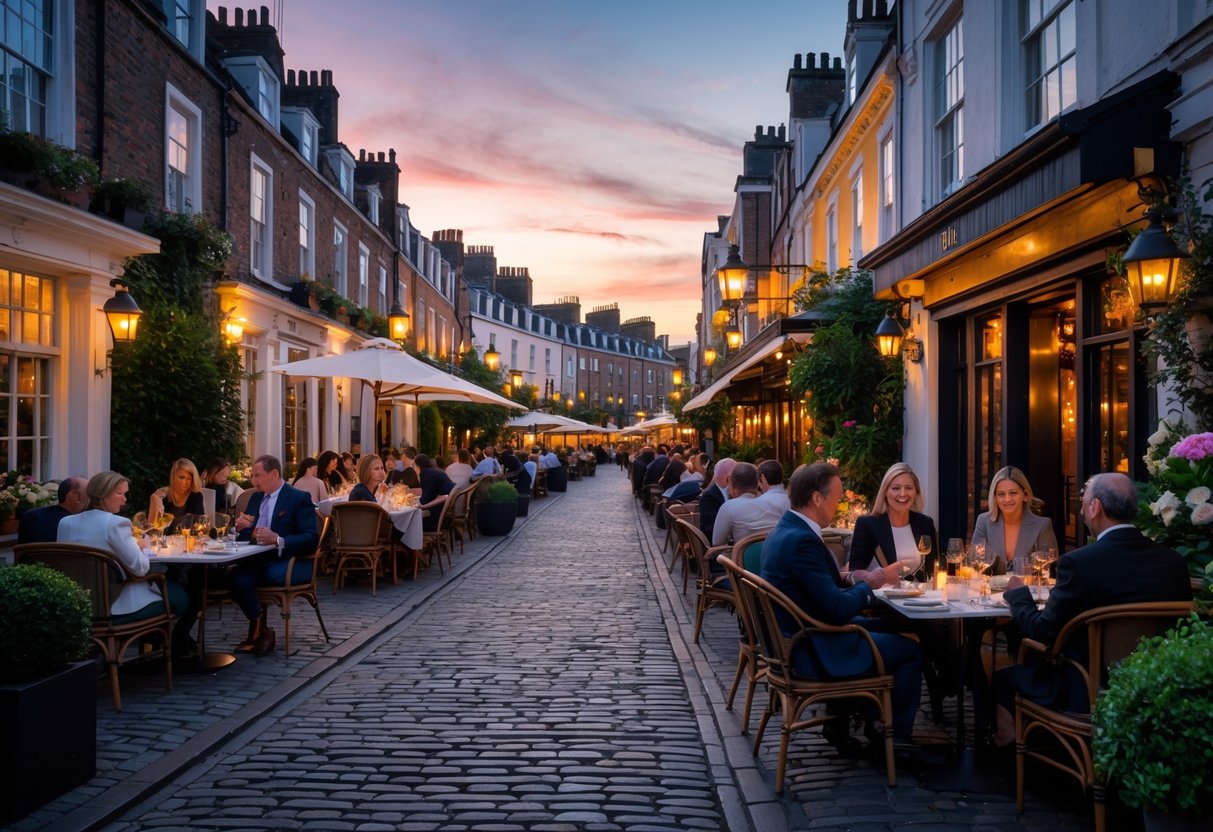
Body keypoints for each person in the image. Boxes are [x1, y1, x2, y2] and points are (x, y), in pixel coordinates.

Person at [991, 472, 1192, 746]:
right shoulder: (1174, 563)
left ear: (1095, 507)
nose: (1083, 511)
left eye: (1083, 504)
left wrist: (1018, 595)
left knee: (1002, 679)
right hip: (1157, 685)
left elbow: (1042, 631)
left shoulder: (1080, 562)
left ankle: (1011, 756)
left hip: (1087, 686)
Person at [761, 462, 921, 740]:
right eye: (836, 498)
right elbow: (837, 610)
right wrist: (873, 581)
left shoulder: (784, 531)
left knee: (893, 625)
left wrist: (849, 581)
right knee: (912, 649)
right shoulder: (802, 542)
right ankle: (891, 737)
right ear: (816, 498)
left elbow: (819, 591)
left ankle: (855, 719)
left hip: (801, 634)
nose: (837, 506)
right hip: (814, 647)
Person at [57, 471, 191, 649]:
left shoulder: (65, 523)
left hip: (78, 606)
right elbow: (140, 569)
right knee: (181, 596)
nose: (124, 500)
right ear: (102, 495)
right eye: (120, 494)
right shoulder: (116, 523)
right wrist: (142, 547)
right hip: (113, 606)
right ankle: (173, 647)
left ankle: (155, 644)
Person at [231, 455, 319, 654]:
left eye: (258, 476)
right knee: (229, 577)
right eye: (253, 476)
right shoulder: (255, 497)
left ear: (274, 474)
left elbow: (311, 539)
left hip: (284, 558)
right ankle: (260, 625)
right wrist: (249, 528)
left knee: (241, 579)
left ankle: (257, 630)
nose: (254, 482)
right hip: (254, 556)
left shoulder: (298, 498)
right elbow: (246, 532)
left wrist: (278, 539)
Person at [848, 463, 938, 576]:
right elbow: (854, 573)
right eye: (896, 488)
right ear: (885, 492)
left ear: (916, 492)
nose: (902, 494)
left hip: (917, 593)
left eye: (909, 488)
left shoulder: (925, 523)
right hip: (878, 593)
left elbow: (932, 571)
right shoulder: (867, 525)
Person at [971, 466, 1058, 575]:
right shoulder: (984, 521)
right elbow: (974, 566)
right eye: (1001, 494)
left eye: (1013, 493)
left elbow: (1050, 572)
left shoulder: (1042, 525)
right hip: (991, 590)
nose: (1007, 499)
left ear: (1025, 495)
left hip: (1028, 591)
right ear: (995, 498)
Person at [17, 475, 88, 544]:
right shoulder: (77, 526)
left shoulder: (31, 516)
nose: (92, 500)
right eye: (89, 495)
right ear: (75, 497)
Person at [148, 458, 206, 534]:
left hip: (187, 543)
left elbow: (199, 527)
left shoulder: (196, 497)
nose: (185, 482)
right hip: (165, 544)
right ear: (173, 477)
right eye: (181, 477)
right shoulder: (162, 496)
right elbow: (150, 529)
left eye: (189, 479)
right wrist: (153, 501)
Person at [712, 462, 763, 545]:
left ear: (732, 485)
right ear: (757, 483)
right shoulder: (772, 503)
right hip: (772, 556)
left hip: (742, 556)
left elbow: (717, 542)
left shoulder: (728, 507)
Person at [414, 454, 454, 533]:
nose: (414, 470)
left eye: (414, 467)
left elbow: (425, 500)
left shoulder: (426, 474)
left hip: (438, 514)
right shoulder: (433, 472)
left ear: (418, 466)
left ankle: (415, 542)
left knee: (413, 519)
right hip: (447, 511)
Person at [698, 457, 735, 539]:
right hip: (719, 546)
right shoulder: (709, 496)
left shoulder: (730, 491)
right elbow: (709, 529)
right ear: (728, 476)